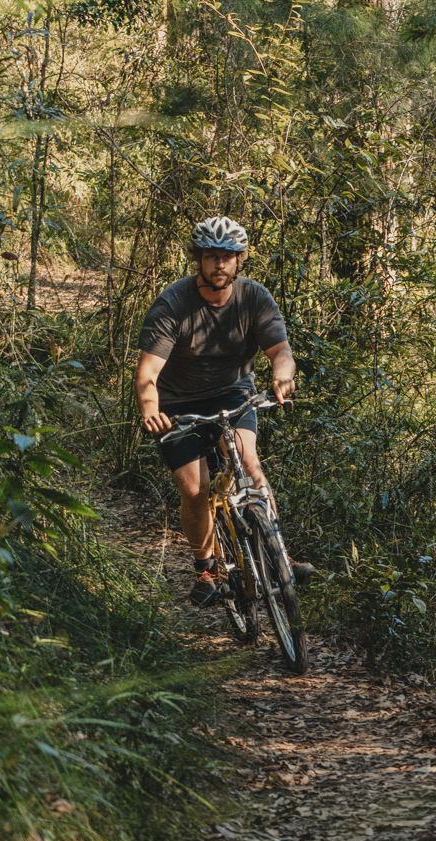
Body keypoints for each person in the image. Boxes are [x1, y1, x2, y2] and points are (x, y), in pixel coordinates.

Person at [134, 216, 313, 606]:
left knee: (249, 463)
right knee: (196, 488)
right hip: (178, 404)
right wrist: (151, 409)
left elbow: (281, 353)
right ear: (197, 258)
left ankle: (279, 555)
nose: (219, 265)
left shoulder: (254, 297)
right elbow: (147, 373)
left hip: (233, 394)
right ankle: (206, 568)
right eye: (211, 256)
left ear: (239, 260)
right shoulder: (173, 304)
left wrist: (283, 377)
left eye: (227, 257)